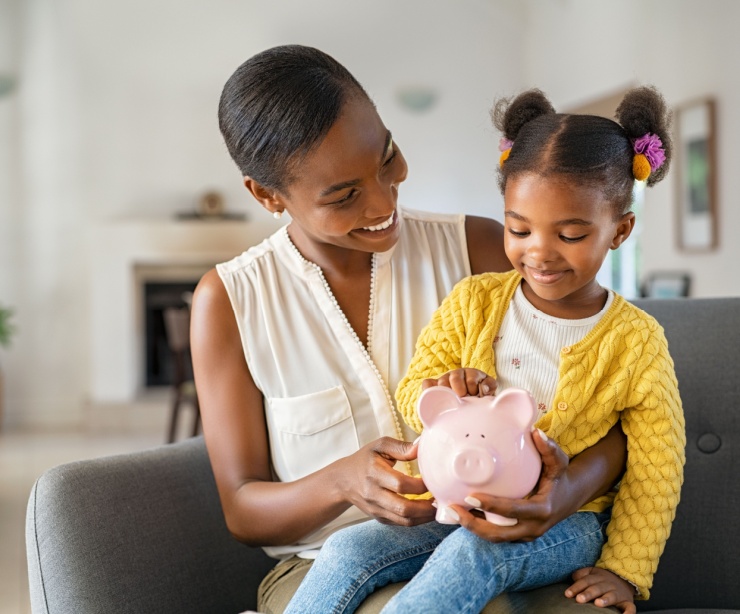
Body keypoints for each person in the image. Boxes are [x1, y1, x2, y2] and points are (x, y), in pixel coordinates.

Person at [191, 44, 629, 614]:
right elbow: (243, 510)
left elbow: (619, 402)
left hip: (497, 541)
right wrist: (340, 482)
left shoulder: (479, 250)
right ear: (267, 195)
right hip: (324, 569)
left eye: (387, 157)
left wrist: (564, 493)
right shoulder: (230, 300)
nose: (383, 200)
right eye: (344, 195)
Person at [283, 86, 686, 614]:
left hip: (571, 521)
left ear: (620, 230)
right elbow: (414, 391)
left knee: (473, 556)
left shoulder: (636, 341)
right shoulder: (474, 301)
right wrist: (442, 388)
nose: (538, 252)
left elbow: (658, 468)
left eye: (569, 234)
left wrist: (624, 572)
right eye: (519, 229)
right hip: (455, 503)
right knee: (350, 547)